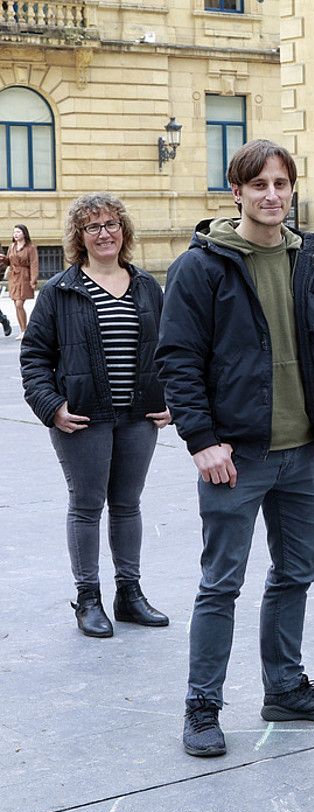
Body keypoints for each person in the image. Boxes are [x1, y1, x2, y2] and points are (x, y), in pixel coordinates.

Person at [159, 140, 314, 758]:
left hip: (303, 453)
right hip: (235, 457)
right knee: (221, 584)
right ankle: (202, 706)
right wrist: (202, 441)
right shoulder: (201, 267)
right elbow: (177, 360)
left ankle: (286, 688)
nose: (272, 195)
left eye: (281, 184)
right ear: (237, 192)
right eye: (260, 184)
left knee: (296, 573)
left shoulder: (308, 258)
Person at [19, 195, 172, 637]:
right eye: (93, 227)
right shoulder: (60, 290)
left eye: (111, 224)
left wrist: (171, 400)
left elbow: (172, 349)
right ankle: (88, 599)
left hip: (138, 417)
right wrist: (52, 407)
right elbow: (34, 358)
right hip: (83, 419)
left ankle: (130, 595)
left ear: (123, 230)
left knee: (127, 505)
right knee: (87, 507)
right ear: (79, 237)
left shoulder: (146, 286)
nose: (104, 233)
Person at [5, 223, 39, 334]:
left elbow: (34, 264)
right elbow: (9, 262)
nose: (15, 234)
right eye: (14, 232)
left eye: (18, 232)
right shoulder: (11, 246)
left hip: (25, 277)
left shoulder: (31, 248)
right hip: (14, 277)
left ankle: (25, 330)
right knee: (16, 305)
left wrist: (33, 280)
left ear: (24, 234)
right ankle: (22, 330)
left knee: (19, 304)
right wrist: (4, 259)